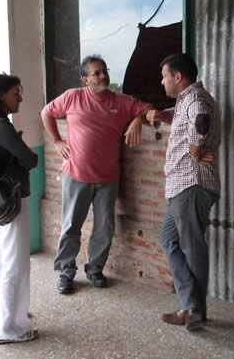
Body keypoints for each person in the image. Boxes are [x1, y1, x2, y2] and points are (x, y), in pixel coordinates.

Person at [41, 55, 153, 294]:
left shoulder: (121, 101)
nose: (103, 76)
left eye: (105, 71)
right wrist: (57, 141)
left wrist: (137, 121)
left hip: (108, 178)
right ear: (85, 80)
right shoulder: (73, 96)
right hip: (76, 174)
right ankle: (66, 271)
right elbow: (46, 113)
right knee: (71, 226)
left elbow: (148, 109)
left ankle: (95, 269)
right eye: (97, 73)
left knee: (104, 226)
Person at [146, 53, 221, 331]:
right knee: (170, 241)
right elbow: (190, 121)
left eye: (164, 75)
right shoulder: (186, 100)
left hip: (191, 185)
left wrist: (194, 150)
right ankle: (190, 304)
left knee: (191, 248)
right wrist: (163, 116)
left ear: (178, 77)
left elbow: (200, 122)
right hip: (182, 187)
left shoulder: (195, 100)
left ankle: (194, 309)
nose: (161, 80)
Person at [0, 73, 39, 344]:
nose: (21, 97)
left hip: (1, 200)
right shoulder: (2, 125)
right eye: (16, 92)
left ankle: (1, 313)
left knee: (3, 259)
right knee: (16, 263)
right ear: (1, 95)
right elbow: (30, 159)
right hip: (13, 200)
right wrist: (24, 152)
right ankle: (10, 328)